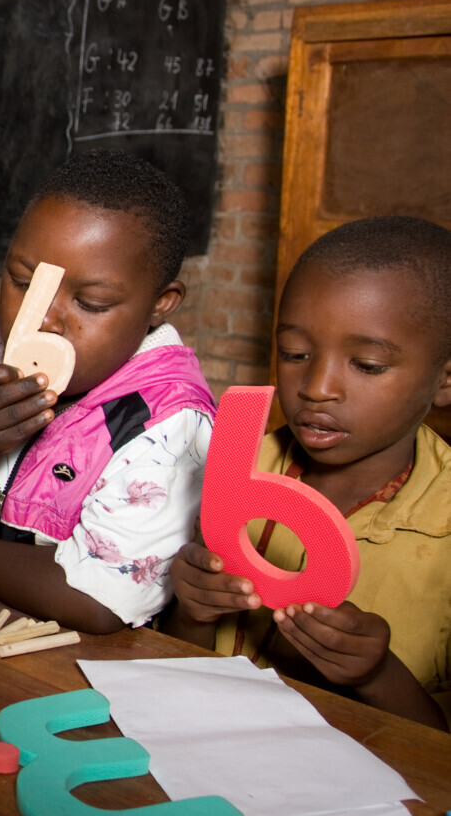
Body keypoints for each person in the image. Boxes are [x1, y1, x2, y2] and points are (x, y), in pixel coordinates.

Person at [0, 150, 215, 634]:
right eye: (22, 282)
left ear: (160, 305)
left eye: (91, 303)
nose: (45, 321)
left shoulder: (166, 419)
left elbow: (97, 600)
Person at [164, 216, 451, 730]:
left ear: (445, 379)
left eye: (366, 364)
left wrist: (379, 675)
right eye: (295, 354)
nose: (316, 386)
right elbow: (181, 672)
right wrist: (191, 610)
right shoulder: (238, 466)